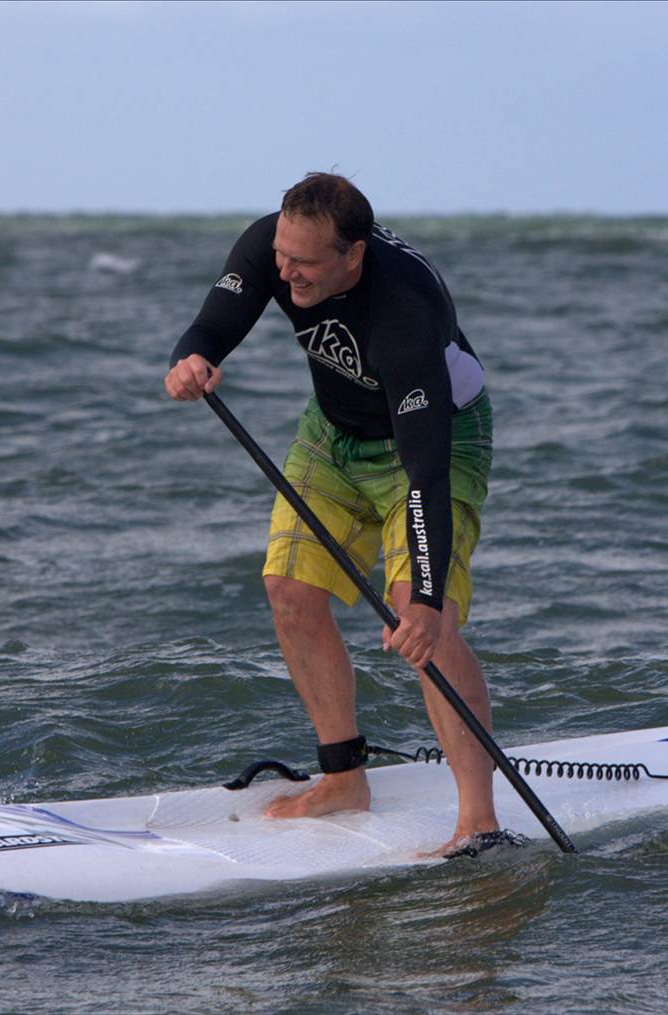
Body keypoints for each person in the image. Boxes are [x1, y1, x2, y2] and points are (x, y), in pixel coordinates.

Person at [164, 172, 513, 857]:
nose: (284, 269)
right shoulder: (277, 243)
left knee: (425, 617)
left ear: (352, 255)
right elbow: (214, 322)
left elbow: (425, 473)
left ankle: (479, 820)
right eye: (282, 255)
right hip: (333, 432)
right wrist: (192, 357)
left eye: (304, 263)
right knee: (290, 591)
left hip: (435, 441)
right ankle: (343, 777)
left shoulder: (405, 311)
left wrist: (426, 599)